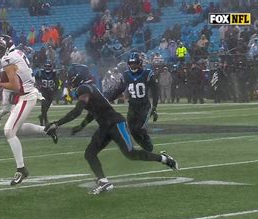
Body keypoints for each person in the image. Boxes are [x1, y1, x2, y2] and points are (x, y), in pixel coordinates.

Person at [44, 64, 179, 195]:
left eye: (71, 75)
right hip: (105, 126)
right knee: (90, 153)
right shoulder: (88, 88)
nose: (69, 78)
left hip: (116, 124)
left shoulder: (84, 88)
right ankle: (104, 182)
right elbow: (94, 111)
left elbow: (77, 111)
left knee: (130, 154)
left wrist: (57, 123)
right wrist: (82, 125)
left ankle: (164, 159)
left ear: (77, 76)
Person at [0, 35, 58, 186]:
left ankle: (21, 169)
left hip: (26, 96)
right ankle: (47, 129)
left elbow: (14, 86)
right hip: (26, 94)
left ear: (6, 47)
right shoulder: (18, 53)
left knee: (9, 131)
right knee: (18, 127)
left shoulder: (7, 58)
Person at [109, 52, 159, 152]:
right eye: (131, 63)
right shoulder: (126, 75)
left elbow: (155, 90)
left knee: (139, 128)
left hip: (144, 106)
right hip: (132, 107)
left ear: (140, 63)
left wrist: (154, 107)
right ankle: (147, 147)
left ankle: (148, 146)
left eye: (135, 63)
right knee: (132, 130)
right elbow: (120, 89)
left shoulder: (147, 73)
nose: (133, 65)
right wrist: (109, 98)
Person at [35, 60, 59, 126]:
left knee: (47, 107)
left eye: (49, 66)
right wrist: (39, 87)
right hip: (43, 91)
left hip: (50, 92)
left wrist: (54, 90)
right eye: (46, 66)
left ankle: (41, 117)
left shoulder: (54, 73)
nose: (48, 68)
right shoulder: (40, 72)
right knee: (44, 106)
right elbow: (37, 80)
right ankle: (44, 120)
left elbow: (57, 83)